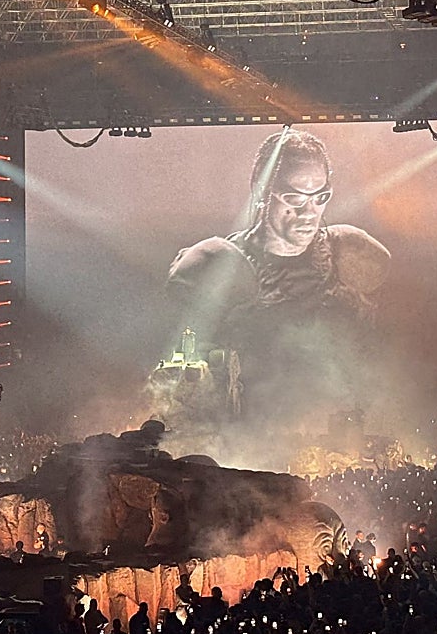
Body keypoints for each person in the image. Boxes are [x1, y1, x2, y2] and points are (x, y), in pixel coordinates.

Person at [166, 127, 391, 421]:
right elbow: (178, 376)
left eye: (320, 196)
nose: (309, 211)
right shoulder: (220, 265)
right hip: (239, 444)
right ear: (262, 190)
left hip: (331, 437)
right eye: (293, 197)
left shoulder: (347, 256)